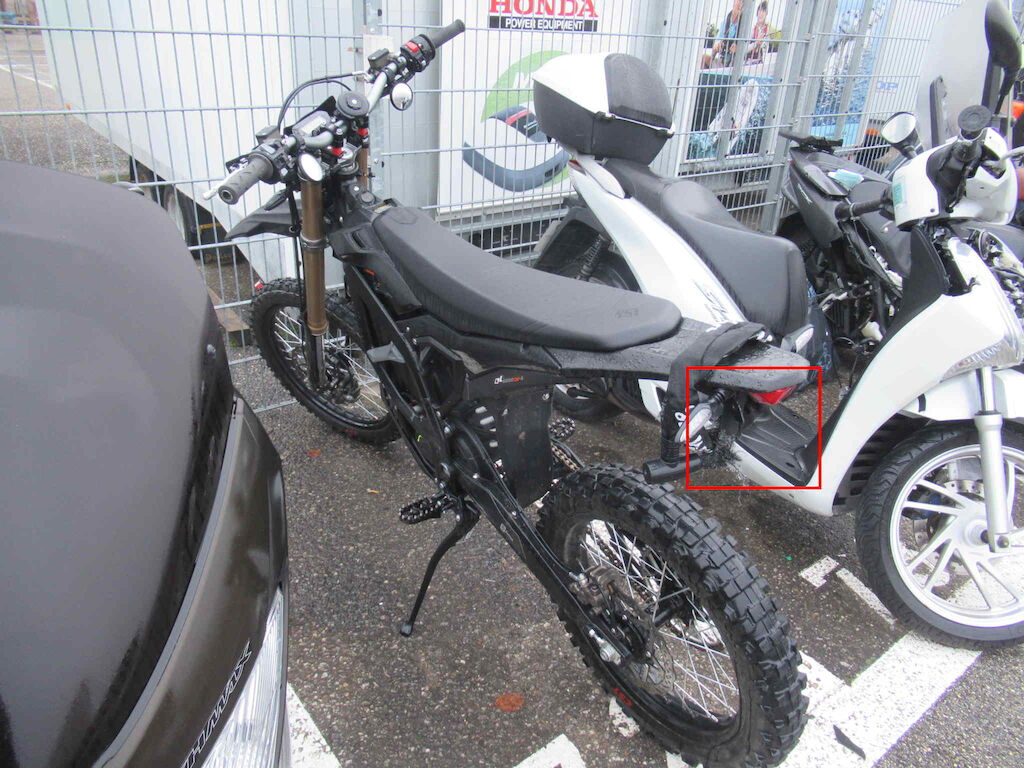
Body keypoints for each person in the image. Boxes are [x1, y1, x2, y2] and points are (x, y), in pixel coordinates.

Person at [703, 0, 744, 68]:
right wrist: (717, 45)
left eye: (743, 2)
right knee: (703, 58)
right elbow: (716, 43)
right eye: (739, 1)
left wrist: (738, 49)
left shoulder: (744, 26)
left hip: (735, 64)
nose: (740, 4)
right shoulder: (725, 23)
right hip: (722, 60)